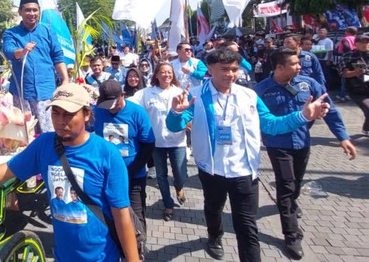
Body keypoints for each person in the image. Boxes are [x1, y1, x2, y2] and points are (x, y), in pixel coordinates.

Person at [0, 83, 140, 261]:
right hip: (63, 255)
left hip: (102, 257)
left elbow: (121, 215)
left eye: (69, 114)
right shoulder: (44, 144)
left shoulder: (107, 154)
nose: (61, 121)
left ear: (87, 114)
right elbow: (8, 170)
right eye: (56, 113)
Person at [166, 48, 330, 262]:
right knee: (213, 210)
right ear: (210, 69)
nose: (230, 74)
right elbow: (174, 126)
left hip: (244, 173)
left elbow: (271, 125)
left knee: (247, 228)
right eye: (224, 69)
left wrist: (302, 116)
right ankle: (214, 237)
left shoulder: (249, 96)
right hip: (211, 171)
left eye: (234, 69)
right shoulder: (195, 96)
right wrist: (176, 112)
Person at [255, 48, 356, 259]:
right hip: (277, 144)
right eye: (294, 63)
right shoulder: (261, 90)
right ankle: (291, 235)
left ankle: (292, 202)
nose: (299, 66)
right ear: (279, 67)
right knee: (286, 186)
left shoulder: (308, 84)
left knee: (296, 183)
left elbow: (330, 110)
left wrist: (343, 137)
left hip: (302, 143)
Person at [93, 80, 155, 232]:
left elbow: (149, 145)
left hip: (133, 175)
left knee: (136, 215)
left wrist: (132, 170)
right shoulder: (98, 111)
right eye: (108, 105)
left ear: (123, 95)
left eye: (114, 104)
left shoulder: (137, 112)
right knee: (109, 215)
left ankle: (139, 250)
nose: (111, 109)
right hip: (106, 175)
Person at [2, 0, 68, 134]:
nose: (32, 13)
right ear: (20, 12)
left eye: (35, 10)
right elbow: (8, 51)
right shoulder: (11, 34)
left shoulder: (48, 32)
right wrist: (22, 51)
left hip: (46, 91)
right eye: (27, 10)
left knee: (49, 132)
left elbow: (58, 56)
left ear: (39, 11)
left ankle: (50, 156)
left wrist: (65, 79)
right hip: (22, 93)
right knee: (26, 134)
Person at [132, 62, 187, 222]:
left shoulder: (180, 92)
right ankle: (168, 204)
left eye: (169, 72)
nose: (166, 75)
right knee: (161, 176)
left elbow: (190, 112)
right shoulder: (146, 93)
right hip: (156, 143)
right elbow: (129, 103)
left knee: (181, 174)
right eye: (162, 72)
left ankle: (179, 186)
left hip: (177, 141)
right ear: (156, 75)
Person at [338, 34, 369, 134]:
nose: (365, 45)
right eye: (362, 42)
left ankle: (366, 128)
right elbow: (344, 74)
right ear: (356, 44)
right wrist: (356, 72)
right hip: (356, 89)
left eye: (367, 42)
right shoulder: (348, 56)